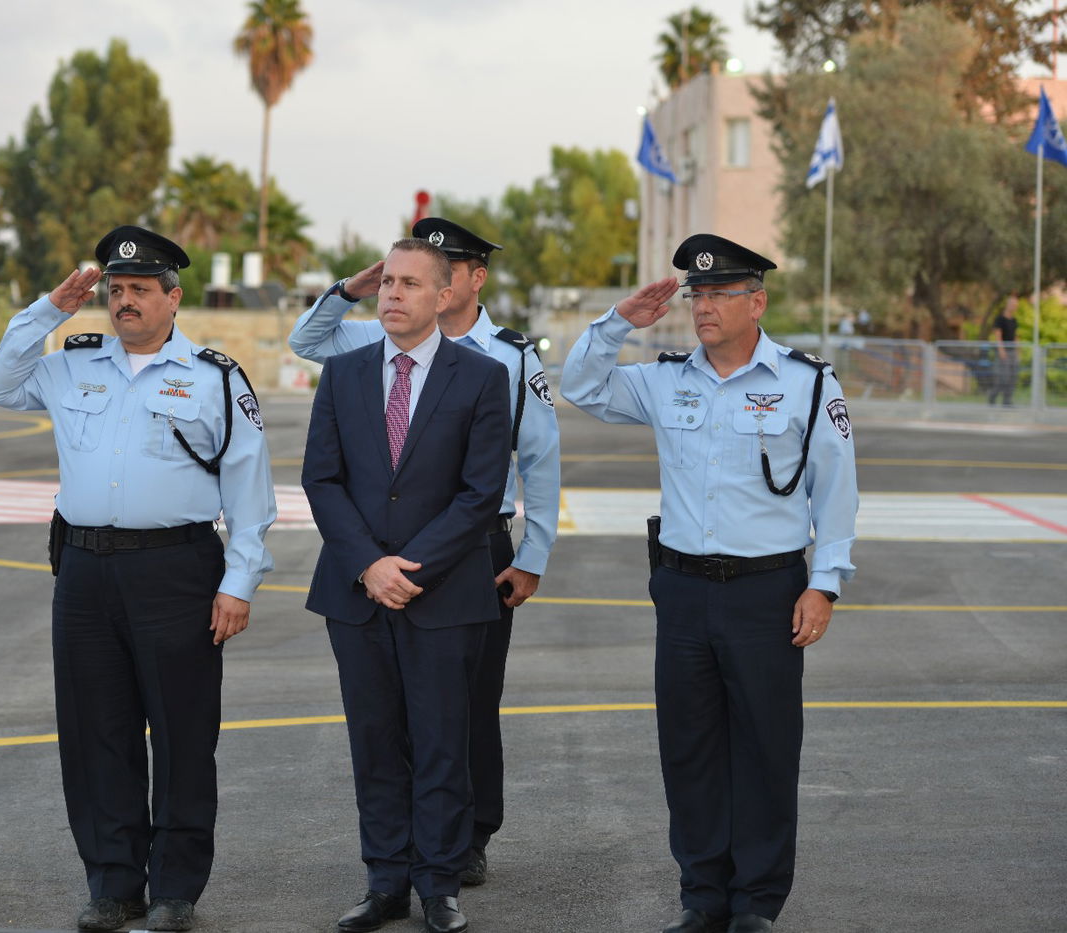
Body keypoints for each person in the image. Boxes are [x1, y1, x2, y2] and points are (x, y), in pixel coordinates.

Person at [560, 234, 858, 933]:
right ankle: (703, 895)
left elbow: (836, 491)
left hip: (768, 591)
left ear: (757, 301)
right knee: (689, 747)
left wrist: (826, 583)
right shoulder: (666, 379)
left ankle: (756, 900)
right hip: (684, 591)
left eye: (720, 293)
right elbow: (580, 385)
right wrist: (615, 323)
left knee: (764, 745)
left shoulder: (806, 382)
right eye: (696, 294)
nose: (702, 307)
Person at [0, 225, 275, 933]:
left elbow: (249, 489)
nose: (125, 301)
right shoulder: (70, 364)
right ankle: (113, 882)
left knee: (180, 732)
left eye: (141, 289)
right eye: (117, 290)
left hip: (176, 569)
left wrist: (239, 581)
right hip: (84, 570)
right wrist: (47, 312)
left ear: (174, 298)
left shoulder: (214, 377)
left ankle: (175, 888)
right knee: (95, 731)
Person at [289, 217, 561, 886]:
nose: (395, 292)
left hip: (468, 550)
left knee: (464, 710)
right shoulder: (361, 348)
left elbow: (538, 458)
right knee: (381, 728)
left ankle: (463, 840)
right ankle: (397, 862)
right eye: (390, 279)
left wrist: (533, 552)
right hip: (368, 561)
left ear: (464, 281)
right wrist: (352, 288)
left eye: (415, 279)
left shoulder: (505, 357)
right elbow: (307, 345)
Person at [988, 294, 1020, 406]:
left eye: (1016, 305)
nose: (1014, 306)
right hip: (1003, 352)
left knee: (1012, 377)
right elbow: (998, 336)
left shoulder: (1014, 320)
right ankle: (992, 396)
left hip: (1012, 352)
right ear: (1007, 304)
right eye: (1012, 304)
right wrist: (1001, 351)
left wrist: (1017, 350)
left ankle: (1007, 401)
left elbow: (1015, 336)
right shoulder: (1000, 319)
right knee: (1003, 378)